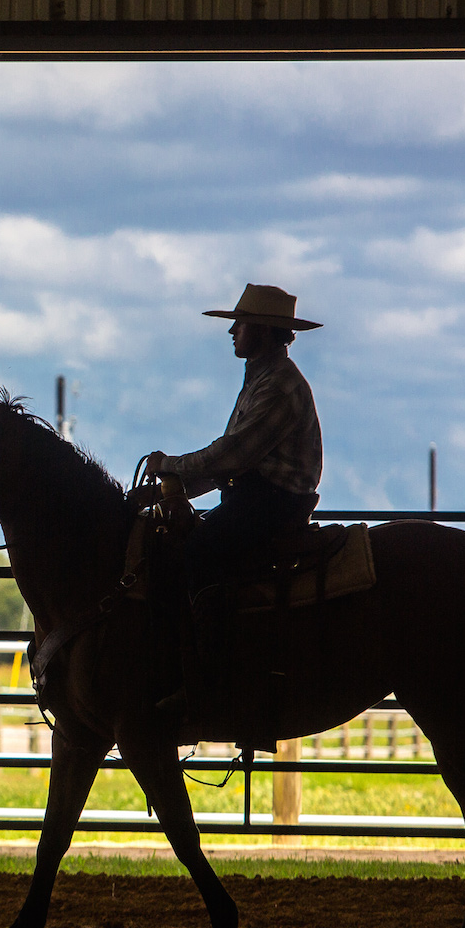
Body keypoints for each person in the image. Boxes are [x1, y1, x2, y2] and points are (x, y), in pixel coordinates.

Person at [142, 283, 323, 724]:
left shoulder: (277, 386)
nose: (233, 332)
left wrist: (172, 466)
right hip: (260, 497)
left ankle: (212, 683)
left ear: (262, 331)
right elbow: (231, 463)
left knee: (201, 551)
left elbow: (234, 455)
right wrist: (172, 486)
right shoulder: (265, 380)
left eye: (240, 324)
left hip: (273, 502)